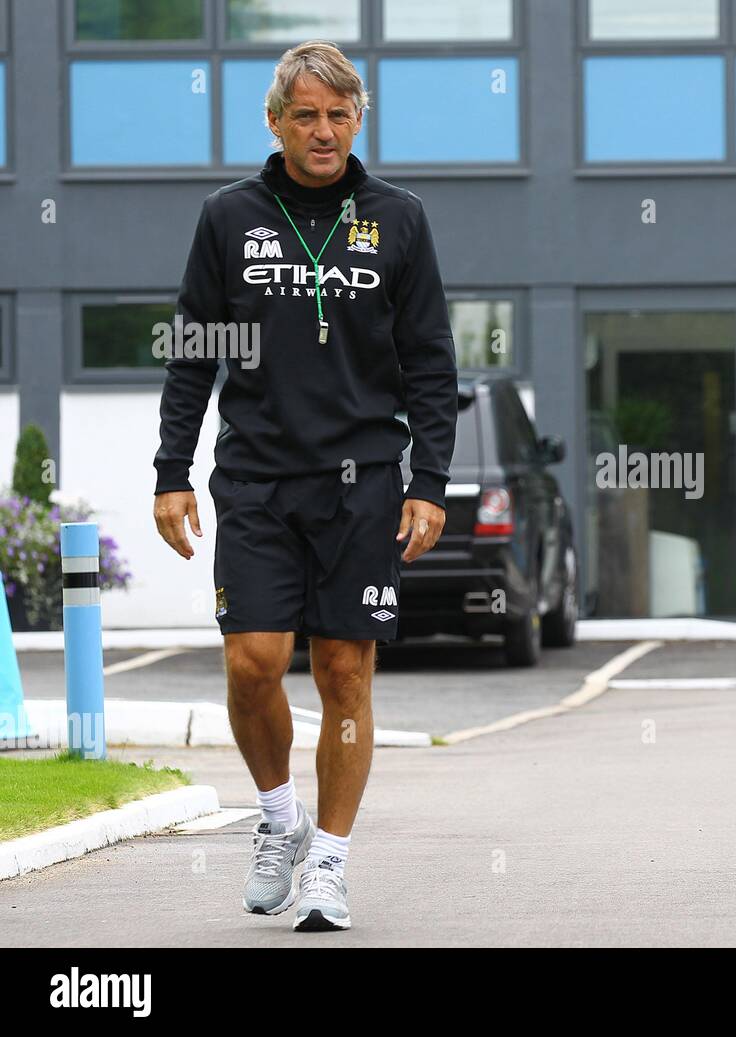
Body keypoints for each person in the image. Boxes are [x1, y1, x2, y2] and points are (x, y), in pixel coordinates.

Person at [152, 41, 458, 932]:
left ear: (358, 120)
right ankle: (279, 814)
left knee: (343, 674)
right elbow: (192, 355)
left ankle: (328, 863)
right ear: (275, 121)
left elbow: (431, 362)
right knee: (252, 663)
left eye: (338, 114)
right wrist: (172, 471)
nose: (322, 131)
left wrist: (428, 480)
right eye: (305, 115)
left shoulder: (397, 219)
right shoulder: (228, 217)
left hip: (363, 483)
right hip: (255, 475)